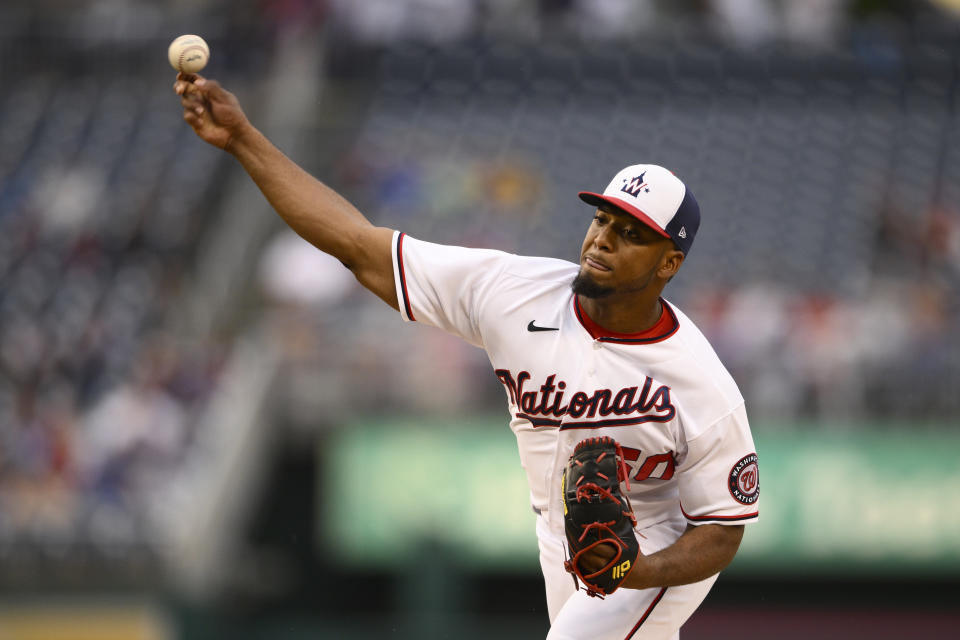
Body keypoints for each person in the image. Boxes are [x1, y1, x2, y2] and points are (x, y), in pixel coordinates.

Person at [174, 73, 759, 640]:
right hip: (559, 538)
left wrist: (638, 569)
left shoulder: (700, 383)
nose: (603, 238)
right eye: (602, 218)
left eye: (631, 233)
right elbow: (356, 245)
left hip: (651, 542)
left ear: (668, 264)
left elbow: (722, 531)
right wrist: (244, 139)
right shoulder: (511, 292)